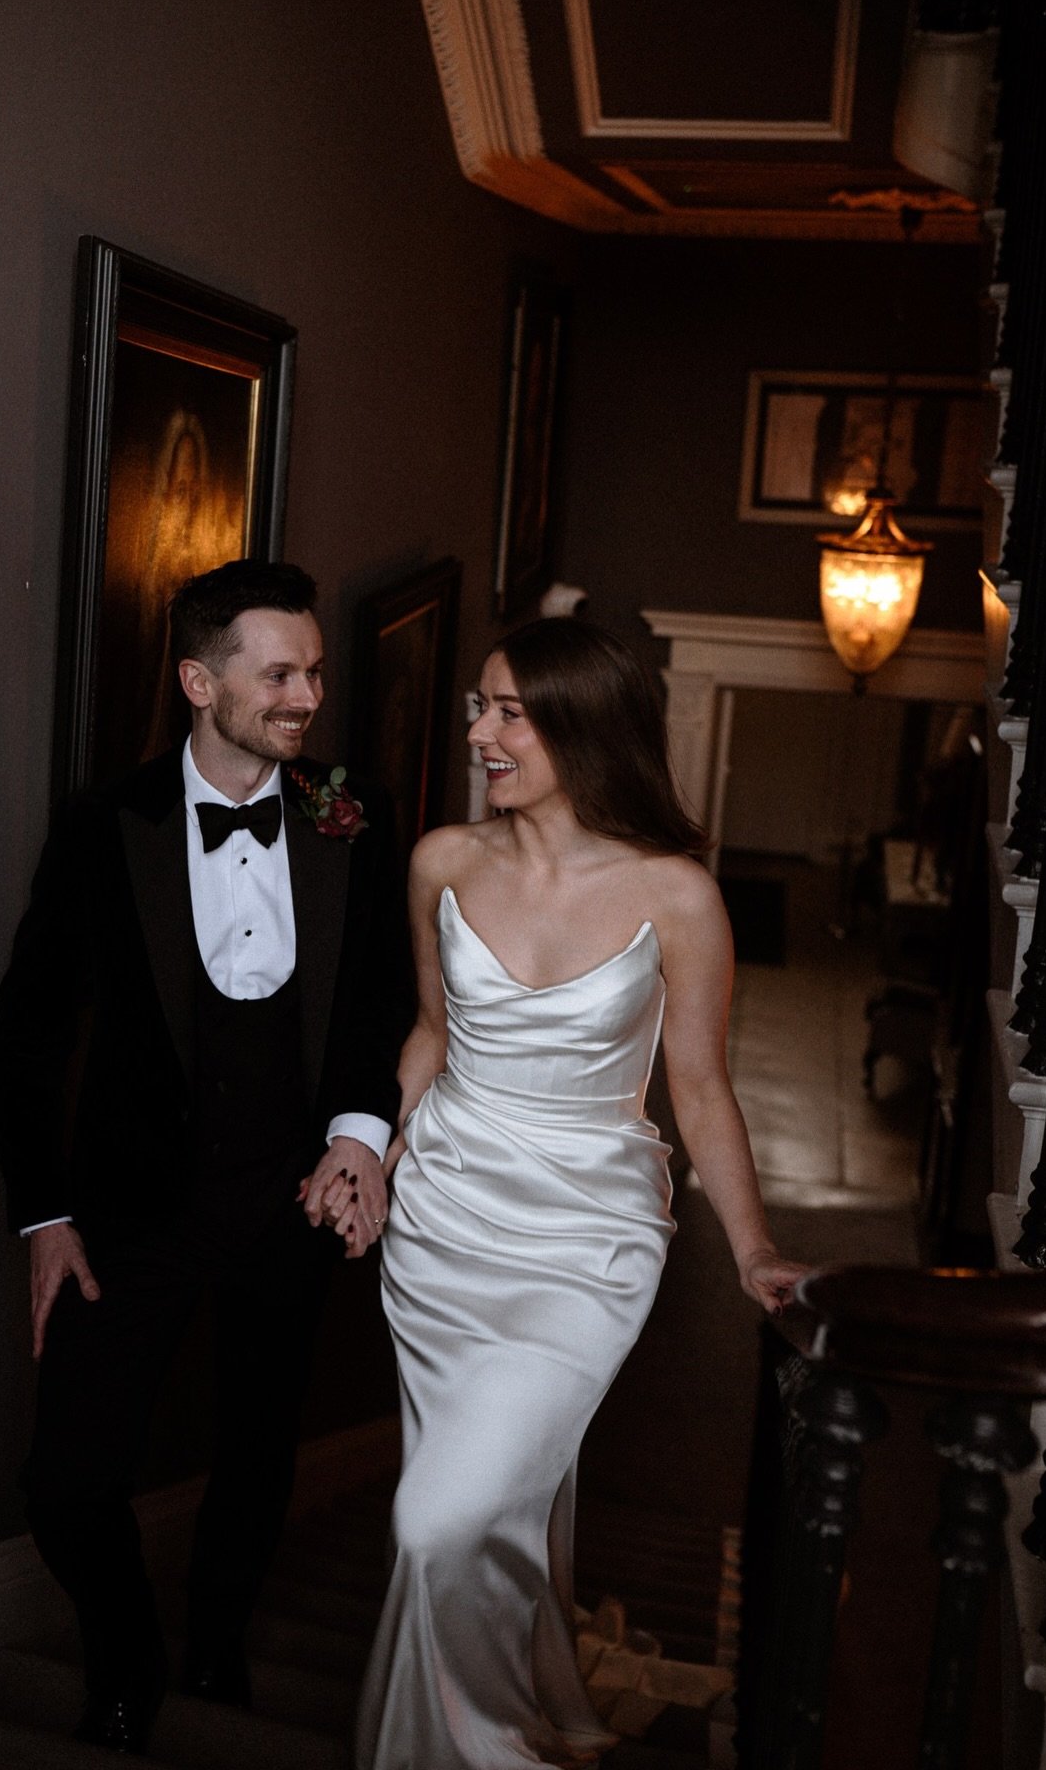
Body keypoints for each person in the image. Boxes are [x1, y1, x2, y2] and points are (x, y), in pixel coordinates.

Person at [338, 616, 807, 1770]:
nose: (479, 734)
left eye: (509, 713)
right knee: (491, 1504)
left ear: (584, 727)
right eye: (479, 707)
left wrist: (751, 1250)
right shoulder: (442, 861)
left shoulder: (677, 896)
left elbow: (699, 1087)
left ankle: (486, 1751)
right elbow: (431, 1035)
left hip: (589, 1240)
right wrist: (371, 1159)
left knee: (436, 1518)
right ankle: (502, 1711)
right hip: (441, 1225)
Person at [0, 559, 409, 1753]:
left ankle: (219, 1644)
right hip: (134, 1212)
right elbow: (27, 1034)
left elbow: (382, 1001)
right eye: (278, 675)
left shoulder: (354, 812)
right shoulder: (101, 826)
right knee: (66, 1481)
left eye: (313, 672)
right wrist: (44, 1217)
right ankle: (127, 1662)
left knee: (259, 1450)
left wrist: (358, 1139)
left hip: (292, 1200)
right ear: (198, 681)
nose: (307, 697)